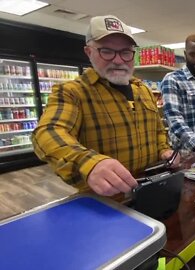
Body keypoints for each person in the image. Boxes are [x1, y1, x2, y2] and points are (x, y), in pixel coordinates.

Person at [32, 15, 175, 199]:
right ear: (89, 52)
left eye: (125, 52)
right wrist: (89, 163)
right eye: (106, 51)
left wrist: (164, 149)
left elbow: (157, 131)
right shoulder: (72, 92)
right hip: (105, 202)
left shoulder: (144, 90)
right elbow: (47, 132)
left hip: (151, 191)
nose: (118, 60)